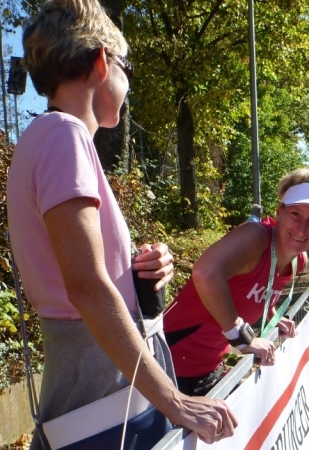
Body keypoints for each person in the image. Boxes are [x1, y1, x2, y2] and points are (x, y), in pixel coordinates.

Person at [6, 1, 236, 448]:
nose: (129, 83)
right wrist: (174, 399)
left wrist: (137, 273)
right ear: (100, 61)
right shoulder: (64, 135)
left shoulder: (45, 137)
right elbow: (87, 287)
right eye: (126, 67)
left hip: (103, 394)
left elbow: (77, 277)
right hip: (105, 402)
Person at [164, 168, 309, 396]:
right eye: (295, 214)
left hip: (209, 366)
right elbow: (205, 272)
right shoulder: (256, 236)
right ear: (279, 212)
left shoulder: (298, 261)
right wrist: (243, 337)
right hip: (167, 365)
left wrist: (273, 316)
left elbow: (262, 289)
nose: (301, 228)